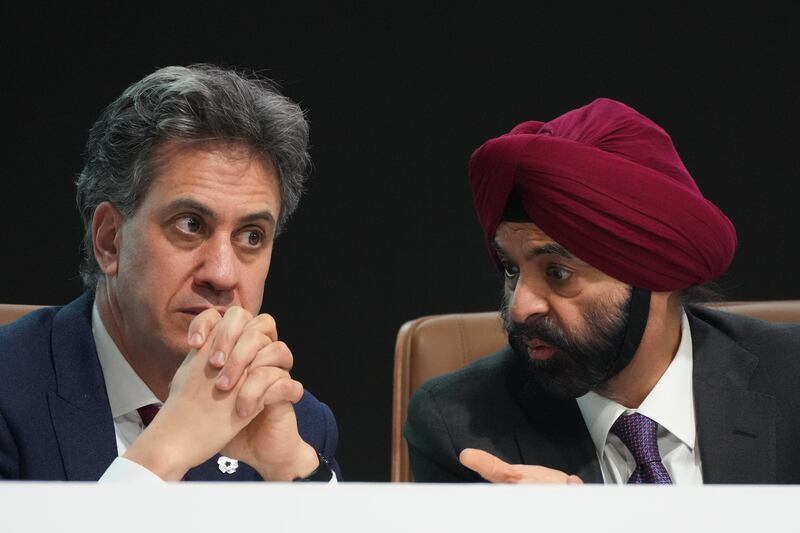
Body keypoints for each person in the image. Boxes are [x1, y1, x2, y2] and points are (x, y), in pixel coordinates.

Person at [405, 98, 800, 484]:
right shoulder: (461, 428)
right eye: (511, 269)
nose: (521, 307)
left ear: (657, 274)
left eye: (558, 272)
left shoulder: (791, 381)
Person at [0, 64, 339, 482]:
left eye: (251, 236)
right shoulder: (8, 393)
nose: (222, 275)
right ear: (109, 240)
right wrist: (167, 446)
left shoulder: (296, 422)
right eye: (190, 224)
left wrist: (293, 470)